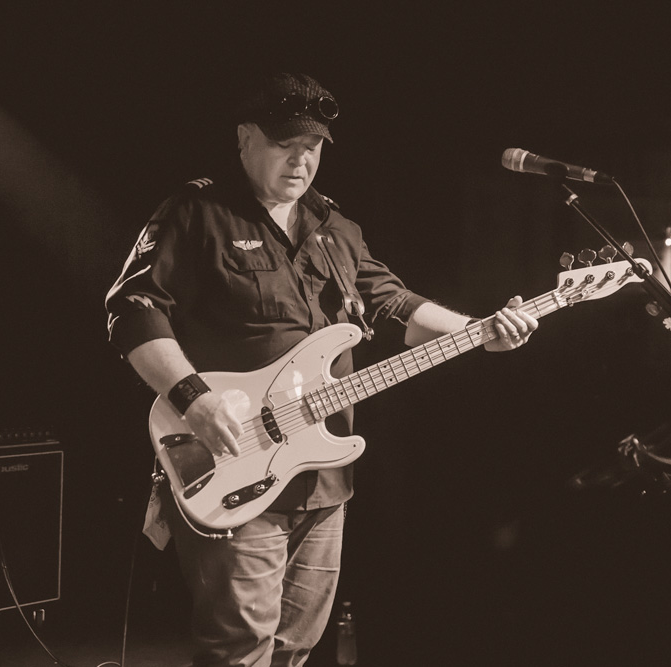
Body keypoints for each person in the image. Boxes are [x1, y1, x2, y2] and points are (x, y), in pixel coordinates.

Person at [104, 72, 538, 667]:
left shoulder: (337, 229)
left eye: (312, 148)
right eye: (286, 145)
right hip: (233, 463)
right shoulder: (197, 211)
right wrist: (194, 398)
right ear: (244, 138)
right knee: (240, 647)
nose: (301, 160)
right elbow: (132, 309)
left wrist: (480, 332)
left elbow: (399, 307)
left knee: (297, 648)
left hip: (322, 480)